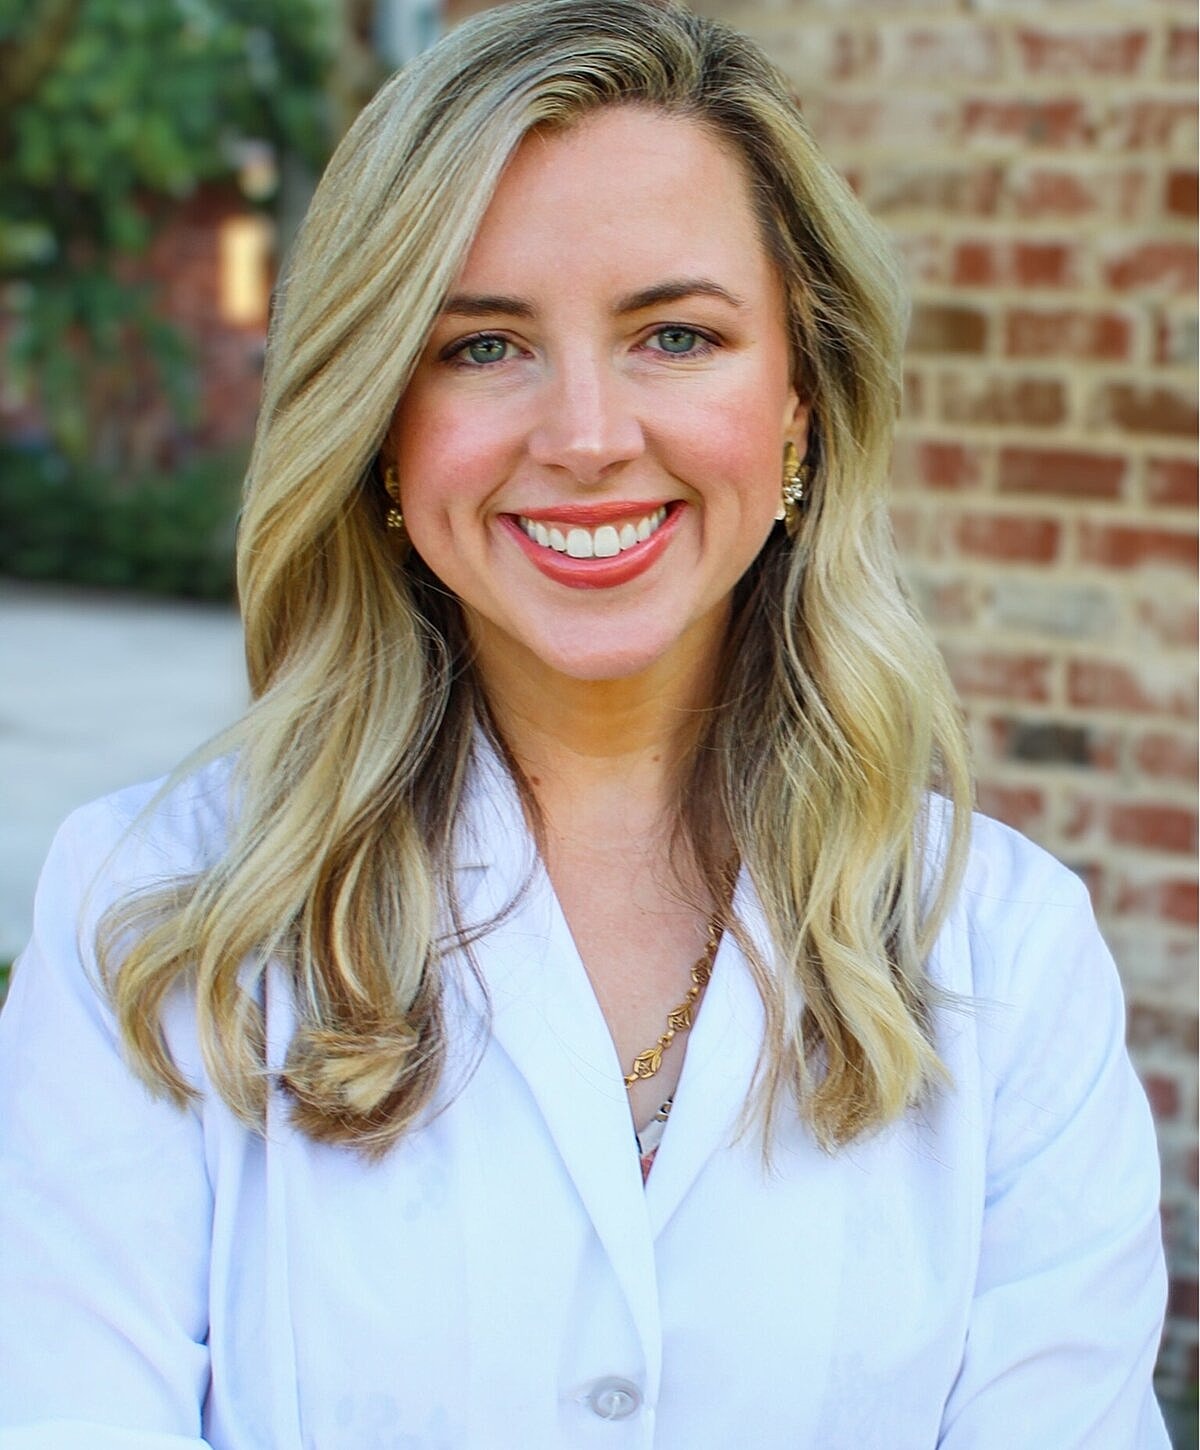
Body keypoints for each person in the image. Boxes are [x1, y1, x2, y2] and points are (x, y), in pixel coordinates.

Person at [0, 2, 1170, 1446]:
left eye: (675, 333)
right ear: (378, 418)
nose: (587, 434)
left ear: (798, 398)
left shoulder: (1005, 954)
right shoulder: (149, 922)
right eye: (483, 347)